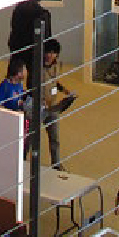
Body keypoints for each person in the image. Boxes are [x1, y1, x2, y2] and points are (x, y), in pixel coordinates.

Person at [36, 39, 76, 169]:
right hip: (39, 109)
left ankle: (56, 164)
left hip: (53, 107)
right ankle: (23, 161)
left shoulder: (57, 66)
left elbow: (55, 83)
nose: (50, 55)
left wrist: (65, 91)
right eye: (48, 52)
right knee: (31, 138)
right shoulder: (37, 68)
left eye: (53, 53)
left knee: (55, 138)